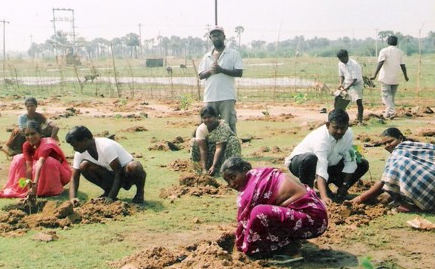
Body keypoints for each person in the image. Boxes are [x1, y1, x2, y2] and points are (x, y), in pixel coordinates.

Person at [221, 157, 328, 260]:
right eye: (227, 181)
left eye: (233, 177)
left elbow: (243, 224)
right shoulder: (260, 174)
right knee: (266, 213)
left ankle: (290, 251)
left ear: (244, 170)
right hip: (318, 216)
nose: (231, 184)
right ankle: (289, 243)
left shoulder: (249, 191)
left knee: (258, 213)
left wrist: (242, 248)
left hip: (312, 221)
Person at [284, 109, 369, 205]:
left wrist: (345, 186)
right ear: (328, 125)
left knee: (362, 163)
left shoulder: (349, 133)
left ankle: (336, 192)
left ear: (347, 126)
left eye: (343, 128)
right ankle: (309, 194)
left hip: (329, 165)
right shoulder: (321, 138)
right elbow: (321, 167)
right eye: (336, 127)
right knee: (310, 159)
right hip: (301, 164)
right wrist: (324, 197)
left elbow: (351, 159)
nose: (339, 131)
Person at [352, 128, 434, 212]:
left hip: (431, 188)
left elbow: (383, 181)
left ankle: (412, 204)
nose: (387, 145)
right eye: (384, 143)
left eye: (390, 141)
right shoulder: (414, 146)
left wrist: (360, 198)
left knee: (399, 168)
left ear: (400, 139)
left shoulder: (398, 154)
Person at [65, 126, 146, 204]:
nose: (75, 149)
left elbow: (119, 172)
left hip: (126, 175)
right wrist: (73, 198)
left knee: (134, 166)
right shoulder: (80, 152)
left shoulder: (105, 146)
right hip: (111, 175)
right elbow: (74, 177)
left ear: (85, 140)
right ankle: (108, 191)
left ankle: (139, 194)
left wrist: (111, 197)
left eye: (76, 145)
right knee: (84, 166)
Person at [0, 120, 71, 199]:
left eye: (33, 133)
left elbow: (40, 163)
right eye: (27, 135)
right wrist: (29, 189)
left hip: (59, 174)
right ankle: (25, 190)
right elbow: (29, 168)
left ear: (40, 133)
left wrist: (34, 185)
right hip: (39, 171)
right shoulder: (26, 145)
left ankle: (49, 190)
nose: (30, 137)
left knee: (48, 162)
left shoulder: (47, 144)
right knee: (19, 158)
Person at [198, 26, 243, 134]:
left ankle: (230, 150)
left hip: (227, 97)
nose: (216, 38)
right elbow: (200, 75)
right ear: (210, 38)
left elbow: (239, 72)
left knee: (228, 127)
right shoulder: (207, 56)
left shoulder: (233, 54)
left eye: (218, 35)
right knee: (209, 127)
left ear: (224, 37)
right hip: (210, 97)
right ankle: (212, 150)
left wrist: (221, 70)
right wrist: (210, 71)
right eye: (214, 36)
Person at [190, 106, 241, 176]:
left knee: (233, 140)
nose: (207, 120)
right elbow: (203, 150)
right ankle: (199, 169)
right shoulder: (201, 129)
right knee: (194, 141)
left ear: (216, 117)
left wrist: (214, 166)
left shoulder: (223, 126)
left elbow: (219, 148)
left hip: (222, 155)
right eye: (204, 118)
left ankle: (231, 168)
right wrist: (204, 169)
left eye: (210, 117)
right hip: (209, 155)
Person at [371, 35, 409, 119]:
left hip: (386, 77)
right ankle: (387, 114)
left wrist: (374, 74)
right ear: (397, 42)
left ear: (388, 42)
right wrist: (406, 76)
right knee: (391, 97)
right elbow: (403, 65)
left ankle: (392, 112)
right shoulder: (399, 52)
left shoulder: (384, 51)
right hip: (395, 77)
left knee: (385, 95)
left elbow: (380, 62)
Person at [336, 49, 365, 126]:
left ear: (346, 56)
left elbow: (355, 79)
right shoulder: (340, 64)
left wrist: (347, 88)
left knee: (358, 101)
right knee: (339, 100)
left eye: (342, 59)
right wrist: (340, 84)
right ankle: (340, 120)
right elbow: (341, 75)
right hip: (347, 83)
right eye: (339, 59)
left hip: (356, 84)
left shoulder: (354, 65)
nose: (341, 60)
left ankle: (360, 121)